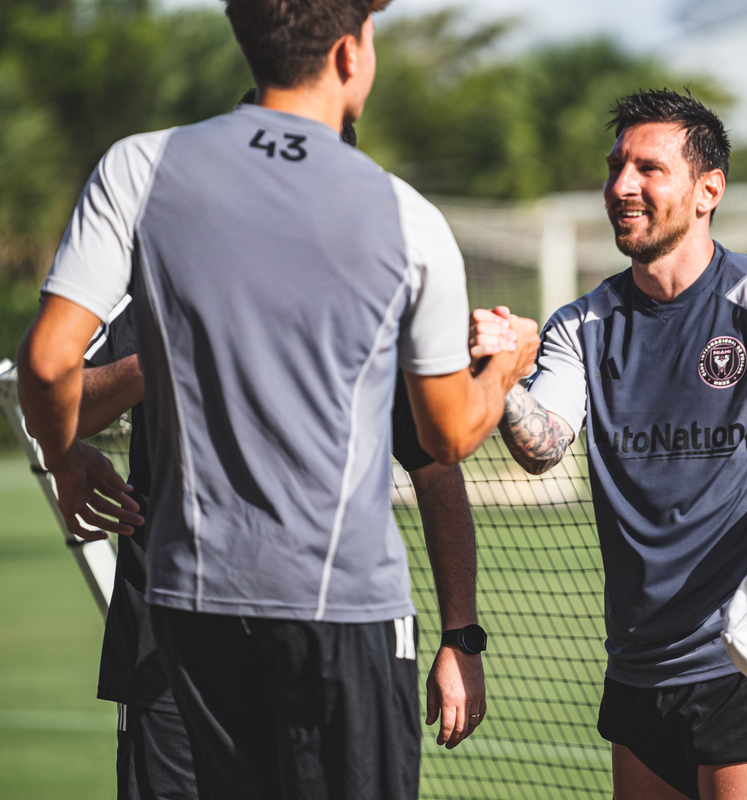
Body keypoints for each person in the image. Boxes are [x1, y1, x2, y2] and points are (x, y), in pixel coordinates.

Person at [16, 0, 539, 797]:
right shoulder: (407, 217)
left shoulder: (138, 165)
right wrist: (508, 365)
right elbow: (448, 438)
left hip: (188, 605)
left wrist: (63, 458)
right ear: (348, 55)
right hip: (340, 607)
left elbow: (46, 363)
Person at [76, 105, 489, 800]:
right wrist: (171, 348)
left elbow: (437, 464)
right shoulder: (166, 265)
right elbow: (60, 396)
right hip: (170, 642)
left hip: (330, 632)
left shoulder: (374, 288)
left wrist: (461, 637)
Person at [472, 89, 747, 800]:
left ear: (709, 189)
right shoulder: (581, 325)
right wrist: (498, 379)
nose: (622, 186)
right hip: (638, 668)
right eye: (616, 166)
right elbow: (543, 445)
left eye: (648, 168)